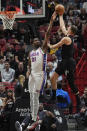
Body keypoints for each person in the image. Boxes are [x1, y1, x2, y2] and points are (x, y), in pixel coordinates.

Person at [48, 13, 81, 112]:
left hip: (69, 63)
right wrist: (60, 15)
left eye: (69, 27)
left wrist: (48, 45)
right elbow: (62, 26)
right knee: (53, 77)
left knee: (71, 83)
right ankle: (53, 96)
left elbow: (55, 46)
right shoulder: (67, 35)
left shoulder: (66, 38)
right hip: (64, 61)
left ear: (71, 30)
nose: (67, 27)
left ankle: (78, 100)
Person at [28, 12, 57, 122]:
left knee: (35, 95)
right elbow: (29, 65)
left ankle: (35, 118)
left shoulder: (42, 49)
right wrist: (28, 71)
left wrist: (51, 21)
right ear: (32, 42)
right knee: (31, 96)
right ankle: (33, 118)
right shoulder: (30, 53)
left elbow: (48, 34)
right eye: (35, 40)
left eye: (38, 40)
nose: (37, 41)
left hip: (41, 74)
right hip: (32, 75)